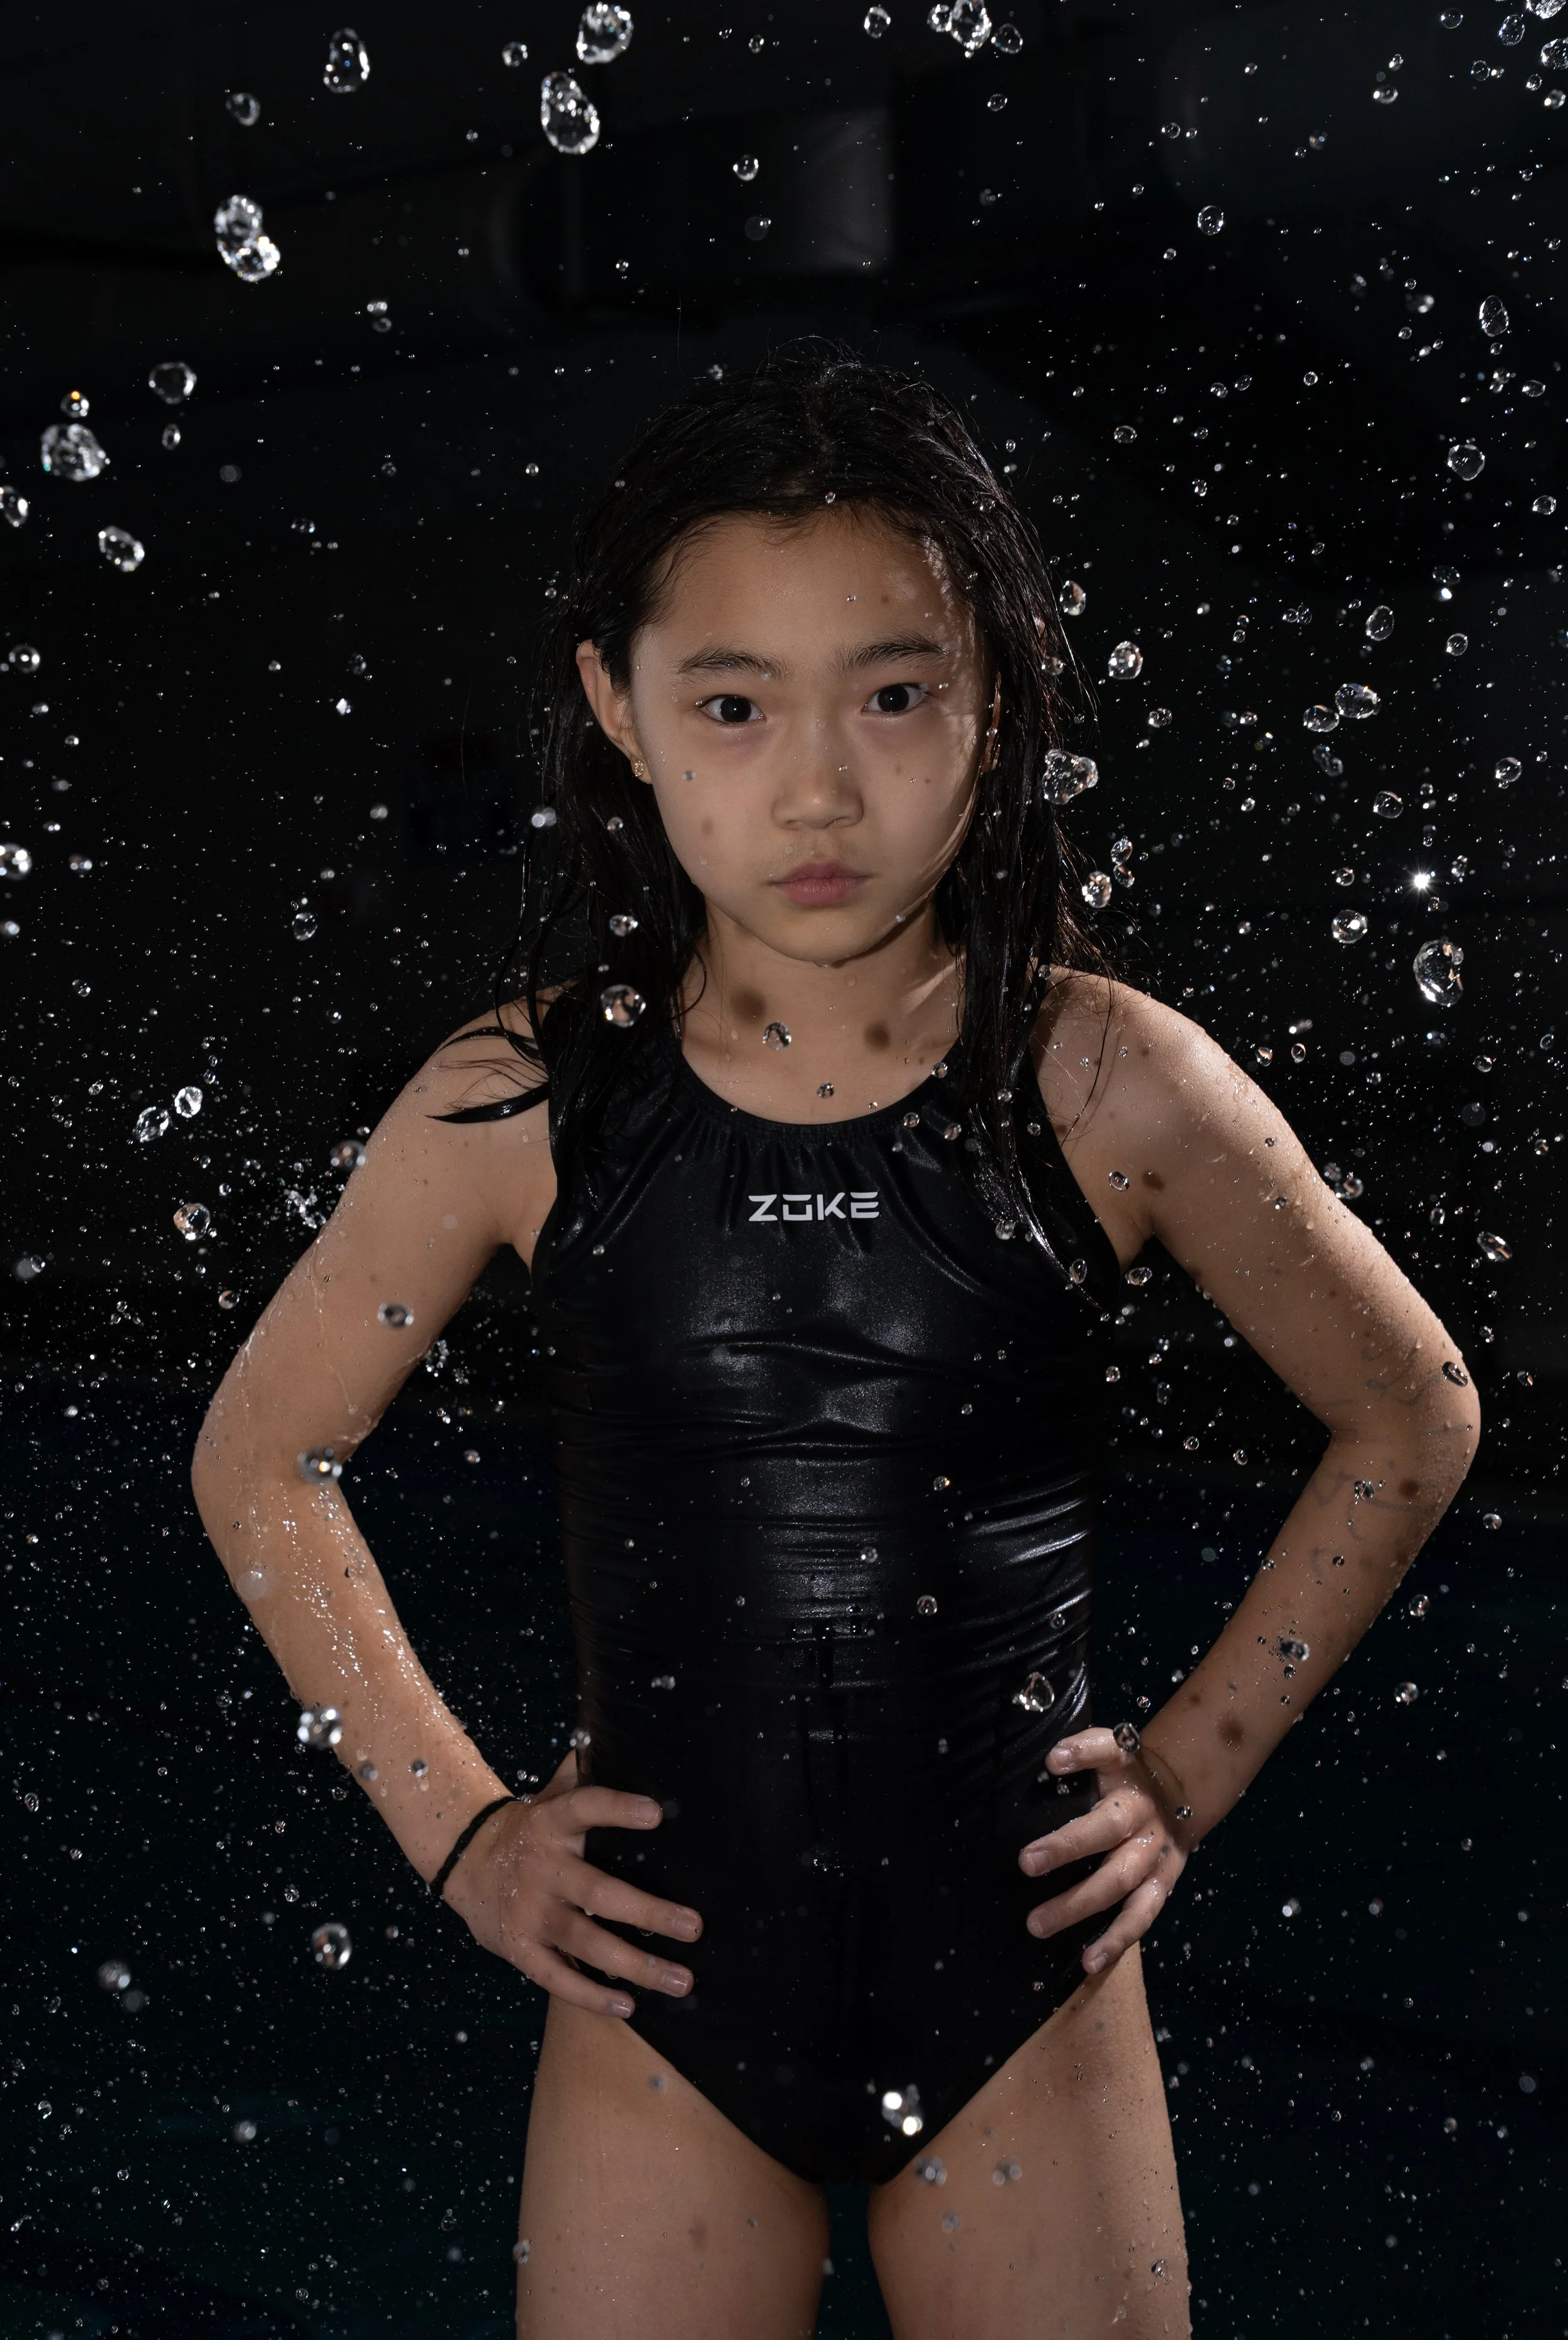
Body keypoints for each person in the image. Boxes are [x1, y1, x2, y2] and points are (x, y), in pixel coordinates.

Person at [192, 348, 1478, 2340]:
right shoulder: (522, 1104)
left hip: (1023, 1999)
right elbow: (259, 1461)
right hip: (663, 2013)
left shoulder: (1105, 1081)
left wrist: (1187, 1774)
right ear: (617, 708)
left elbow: (1411, 1410)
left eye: (893, 695)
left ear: (997, 708)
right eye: (730, 703)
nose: (814, 787)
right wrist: (458, 1830)